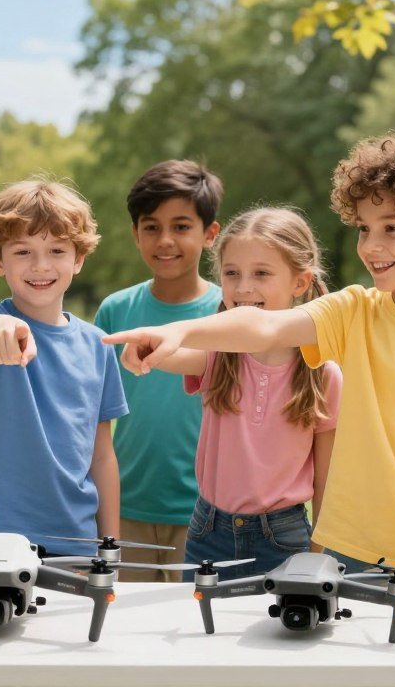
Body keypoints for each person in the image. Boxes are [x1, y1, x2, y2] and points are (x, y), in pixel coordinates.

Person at [104, 132, 395, 618]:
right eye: (363, 228)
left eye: (391, 228)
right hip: (349, 558)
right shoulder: (353, 311)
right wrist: (177, 331)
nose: (371, 245)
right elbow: (262, 327)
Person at [127, 207, 341, 578]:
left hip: (284, 538)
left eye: (261, 273)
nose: (242, 288)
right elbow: (169, 353)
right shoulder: (217, 355)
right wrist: (146, 349)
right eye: (231, 273)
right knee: (199, 615)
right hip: (208, 531)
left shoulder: (323, 373)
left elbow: (327, 481)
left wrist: (319, 553)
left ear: (300, 282)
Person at [0, 179, 128, 557]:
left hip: (75, 540)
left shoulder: (99, 345)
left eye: (57, 250)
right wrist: (2, 331)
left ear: (78, 259)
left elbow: (102, 456)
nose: (41, 265)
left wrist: (110, 547)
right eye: (23, 251)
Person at [94, 160, 222, 581]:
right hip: (126, 507)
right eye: (151, 227)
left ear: (210, 234)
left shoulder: (229, 314)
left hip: (207, 512)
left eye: (181, 226)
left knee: (196, 617)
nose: (165, 240)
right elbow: (92, 415)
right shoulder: (116, 310)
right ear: (136, 234)